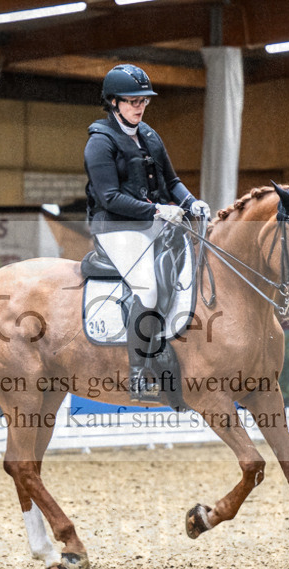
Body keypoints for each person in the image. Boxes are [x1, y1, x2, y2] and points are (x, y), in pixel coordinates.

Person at [84, 64, 210, 401]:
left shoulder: (150, 135)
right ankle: (139, 374)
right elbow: (110, 197)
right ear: (113, 102)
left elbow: (171, 181)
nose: (139, 106)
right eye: (132, 100)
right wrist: (158, 210)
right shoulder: (100, 142)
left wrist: (190, 201)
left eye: (144, 100)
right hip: (116, 228)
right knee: (149, 289)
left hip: (152, 223)